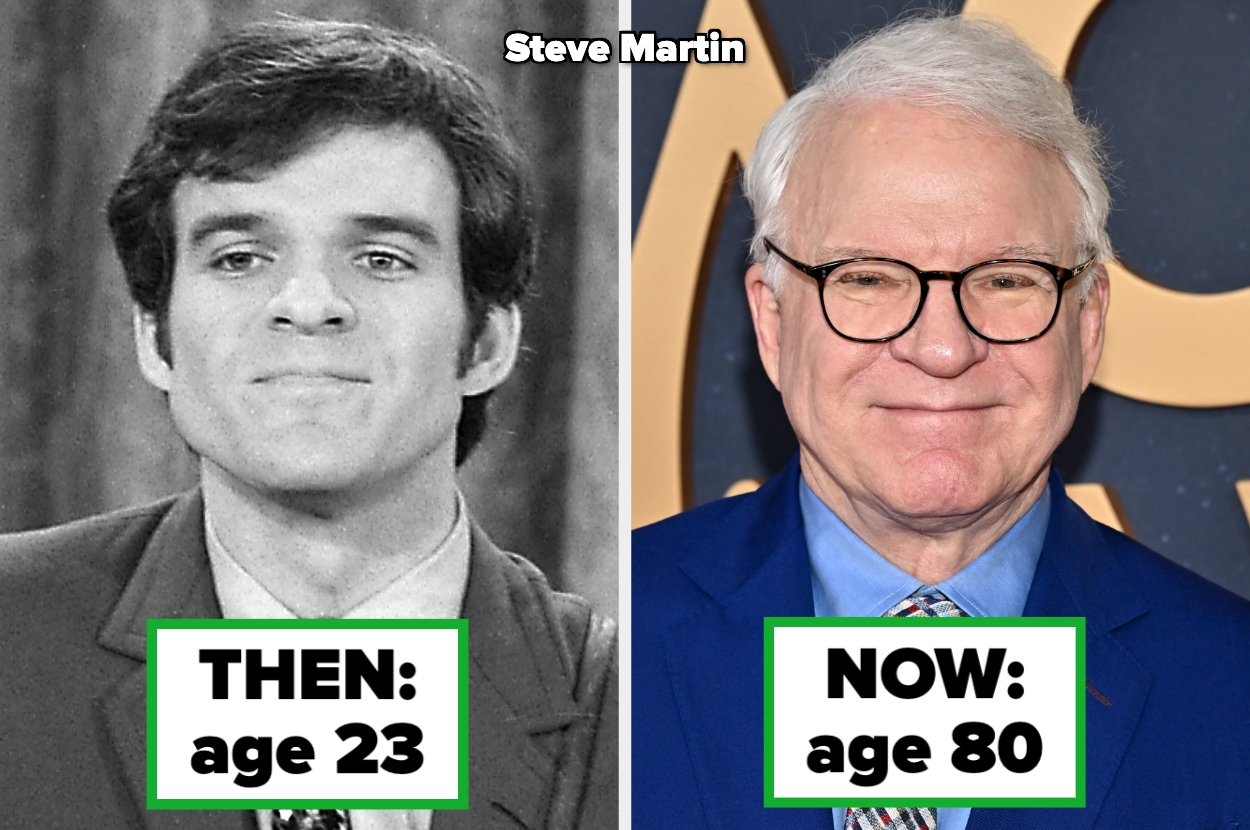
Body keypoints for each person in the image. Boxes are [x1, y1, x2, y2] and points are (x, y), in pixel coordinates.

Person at [633, 14, 1250, 829]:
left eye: (1006, 280)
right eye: (868, 278)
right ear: (773, 323)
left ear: (1088, 322)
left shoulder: (1231, 689)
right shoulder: (605, 646)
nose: (943, 348)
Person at [0, 19, 616, 830]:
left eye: (382, 258)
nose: (308, 303)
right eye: (240, 258)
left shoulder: (645, 712)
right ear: (154, 337)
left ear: (487, 343)